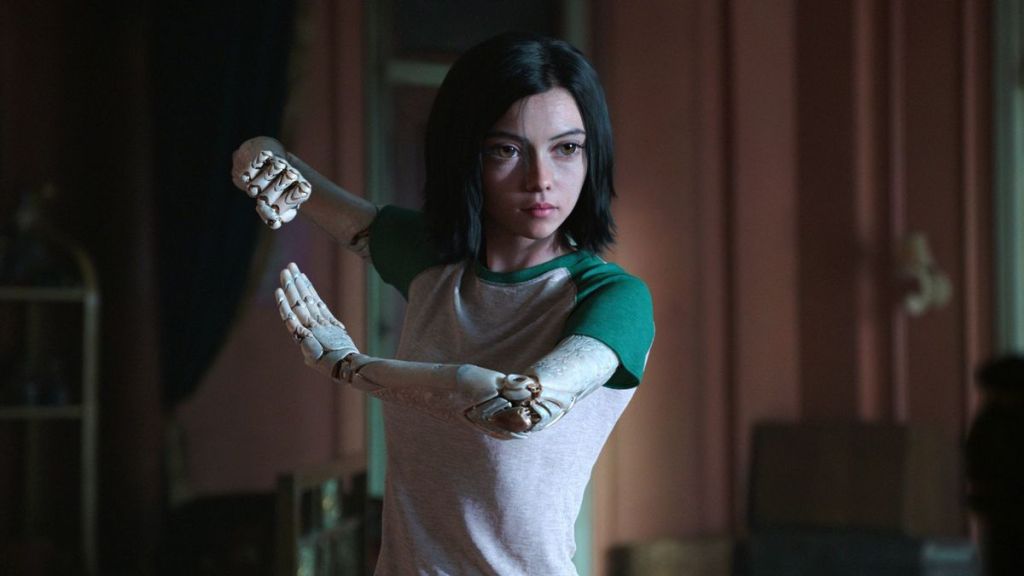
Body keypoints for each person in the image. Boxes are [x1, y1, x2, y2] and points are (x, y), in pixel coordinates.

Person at [231, 32, 654, 575]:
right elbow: (296, 179)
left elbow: (520, 407)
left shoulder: (613, 298)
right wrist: (257, 155)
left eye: (566, 148)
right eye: (506, 150)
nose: (541, 180)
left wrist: (352, 367)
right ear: (466, 154)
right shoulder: (435, 264)